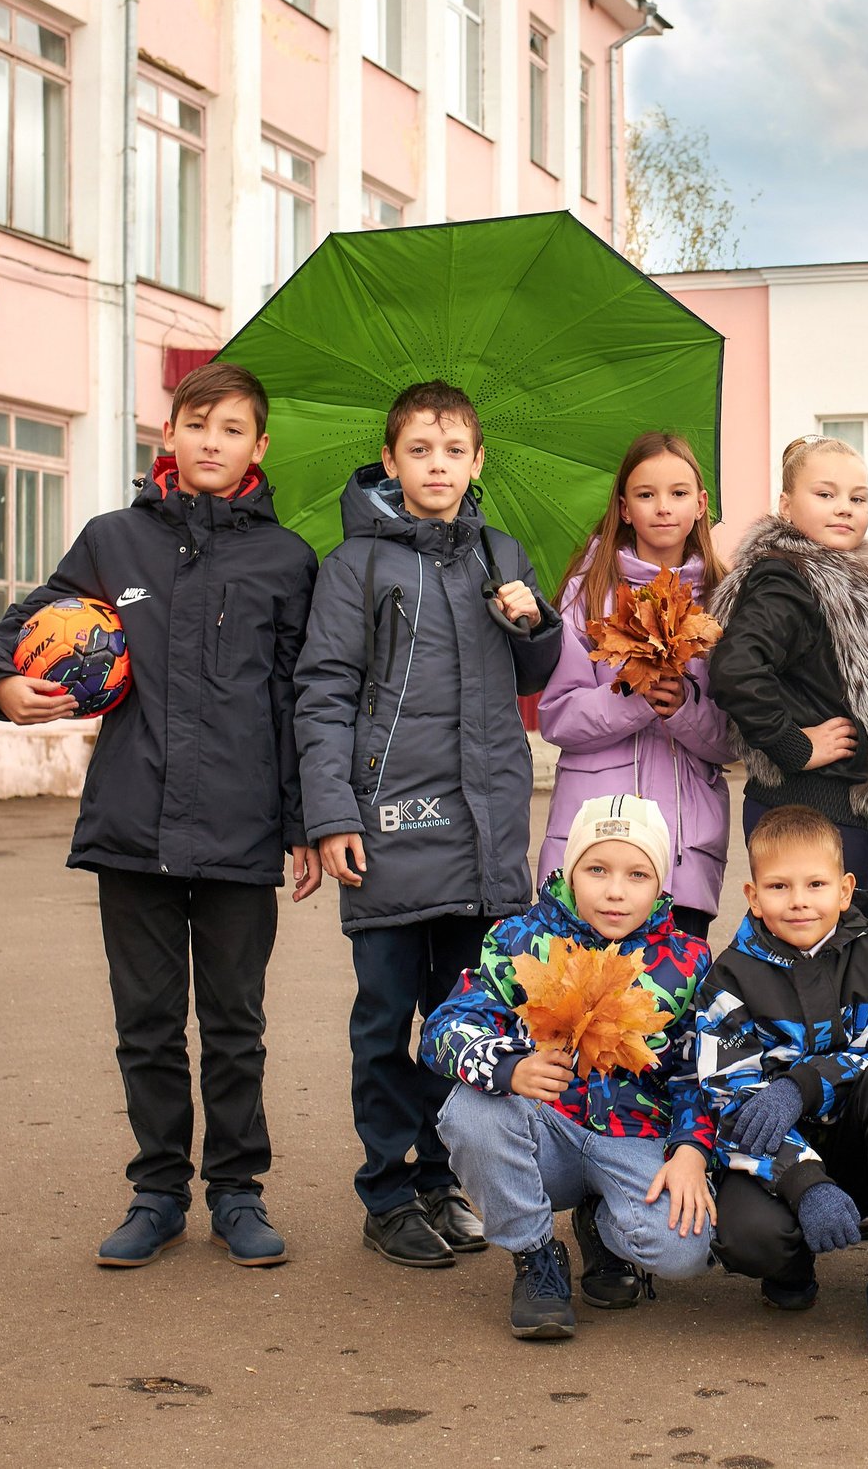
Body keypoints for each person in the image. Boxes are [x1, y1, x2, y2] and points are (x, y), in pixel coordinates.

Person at [0, 360, 318, 1270]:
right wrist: (5, 683)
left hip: (243, 833)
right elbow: (15, 627)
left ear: (259, 446)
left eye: (233, 427)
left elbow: (300, 703)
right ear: (169, 434)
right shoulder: (111, 541)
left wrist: (307, 824)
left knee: (235, 1024)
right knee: (149, 1024)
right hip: (134, 825)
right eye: (197, 423)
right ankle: (158, 1190)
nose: (213, 441)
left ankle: (238, 1192)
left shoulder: (287, 559)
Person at [295, 380, 563, 1273]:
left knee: (469, 1020)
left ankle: (447, 1178)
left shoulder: (500, 553)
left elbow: (535, 669)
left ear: (477, 460)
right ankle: (387, 1188)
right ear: (392, 460)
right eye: (420, 450)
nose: (438, 465)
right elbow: (324, 690)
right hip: (387, 828)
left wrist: (536, 623)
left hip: (483, 831)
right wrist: (331, 810)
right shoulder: (354, 566)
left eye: (453, 451)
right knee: (384, 1022)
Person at [425, 796, 719, 1340]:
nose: (614, 890)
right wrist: (508, 1067)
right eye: (597, 870)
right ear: (568, 872)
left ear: (660, 885)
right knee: (472, 1112)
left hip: (636, 1136)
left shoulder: (687, 961)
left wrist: (691, 1151)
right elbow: (444, 1027)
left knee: (683, 1249)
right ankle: (536, 1255)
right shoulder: (520, 942)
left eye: (637, 874)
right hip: (548, 1131)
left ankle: (606, 1234)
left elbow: (701, 1071)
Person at [694, 805, 868, 1354]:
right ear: (753, 896)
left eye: (816, 884)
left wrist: (799, 1086)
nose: (799, 900)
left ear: (846, 889)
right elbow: (729, 1097)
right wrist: (805, 1181)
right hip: (776, 1157)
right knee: (749, 1238)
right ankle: (790, 1263)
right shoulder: (729, 976)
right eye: (779, 886)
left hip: (860, 1144)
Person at [539, 432, 736, 939]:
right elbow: (557, 715)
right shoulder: (590, 591)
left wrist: (683, 708)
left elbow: (734, 737)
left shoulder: (725, 595)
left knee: (670, 1004)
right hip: (595, 852)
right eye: (646, 495)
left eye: (677, 493)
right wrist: (635, 697)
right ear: (624, 508)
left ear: (701, 504)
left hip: (682, 849)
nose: (663, 507)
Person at [707, 435, 868, 922]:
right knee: (822, 968)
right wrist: (793, 744)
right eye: (825, 494)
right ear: (785, 504)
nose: (844, 508)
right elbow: (736, 667)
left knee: (860, 965)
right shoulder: (788, 577)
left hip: (852, 815)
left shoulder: (849, 583)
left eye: (857, 498)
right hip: (806, 814)